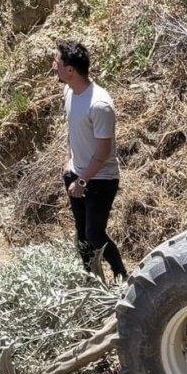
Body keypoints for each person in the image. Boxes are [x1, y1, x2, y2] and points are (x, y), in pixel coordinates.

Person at [52, 40, 128, 281]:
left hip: (101, 179)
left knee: (95, 234)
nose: (54, 66)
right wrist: (69, 161)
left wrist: (82, 181)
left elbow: (103, 152)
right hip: (76, 174)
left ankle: (122, 277)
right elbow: (73, 131)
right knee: (82, 234)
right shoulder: (69, 92)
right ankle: (91, 280)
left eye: (56, 62)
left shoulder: (100, 105)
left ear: (70, 70)